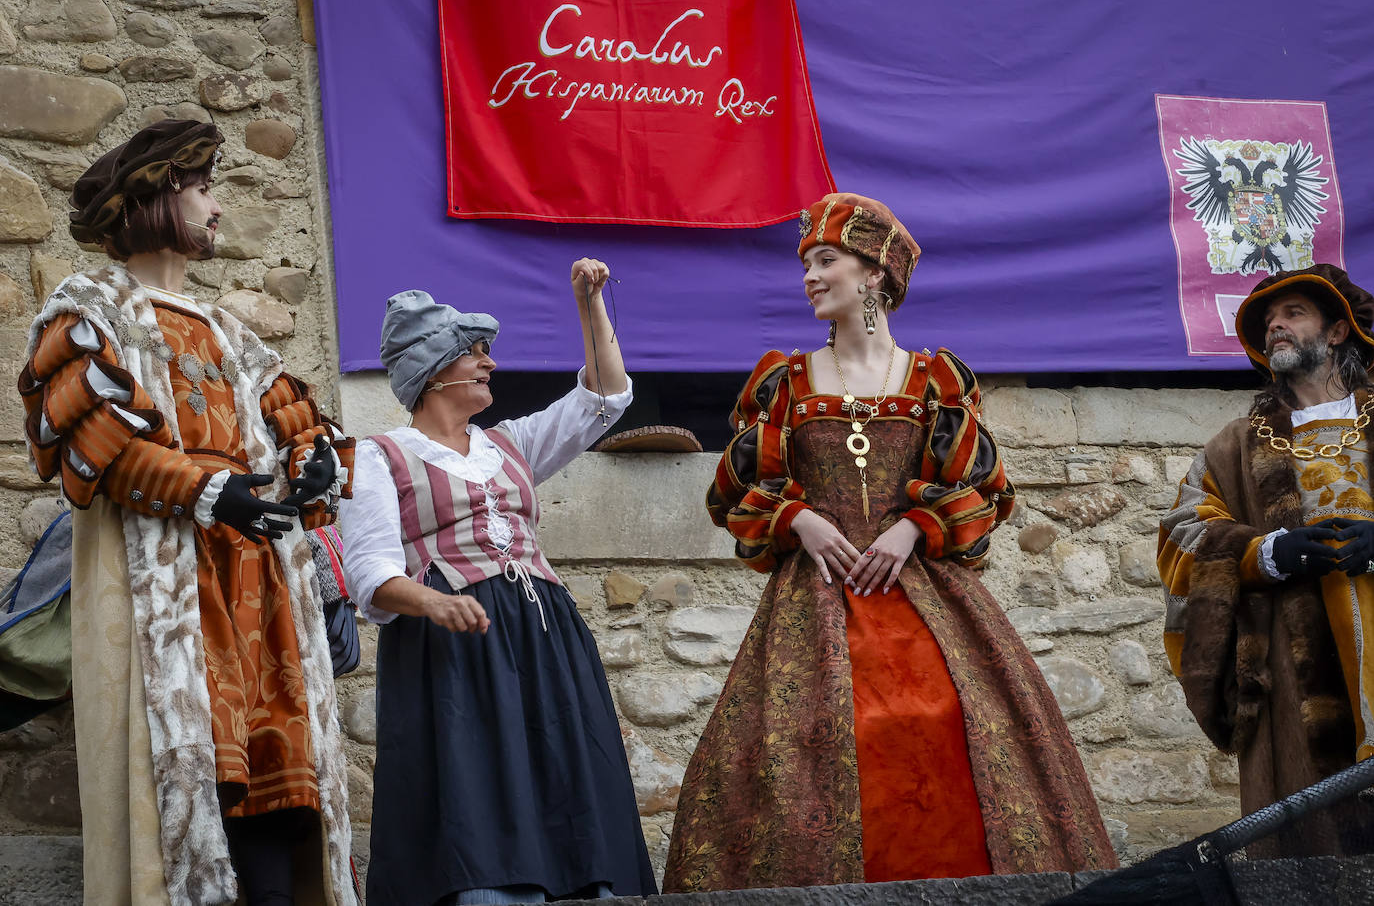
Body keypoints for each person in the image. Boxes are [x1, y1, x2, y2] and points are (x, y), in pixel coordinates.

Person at [663, 193, 1115, 892]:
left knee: (940, 726)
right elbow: (734, 493)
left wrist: (914, 526)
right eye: (806, 264)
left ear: (874, 274)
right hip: (812, 604)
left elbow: (986, 489)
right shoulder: (786, 383)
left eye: (827, 260)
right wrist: (798, 520)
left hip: (926, 594)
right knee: (801, 756)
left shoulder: (935, 381)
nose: (811, 276)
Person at [17, 119, 357, 904]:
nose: (218, 210)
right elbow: (89, 440)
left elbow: (300, 425)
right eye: (204, 190)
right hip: (167, 583)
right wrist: (212, 490)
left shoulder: (232, 332)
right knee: (185, 768)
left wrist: (310, 475)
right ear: (154, 196)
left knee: (280, 778)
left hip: (259, 584)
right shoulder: (88, 308)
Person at [339, 259, 657, 905]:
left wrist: (588, 302)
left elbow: (605, 398)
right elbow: (368, 571)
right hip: (456, 650)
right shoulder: (378, 457)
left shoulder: (510, 444)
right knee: (477, 790)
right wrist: (431, 600)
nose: (489, 364)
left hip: (546, 638)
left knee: (568, 775)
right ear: (433, 371)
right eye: (475, 353)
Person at [1159, 263, 1374, 856]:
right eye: (1268, 321)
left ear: (1336, 331)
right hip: (1293, 671)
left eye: (1292, 314)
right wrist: (1264, 553)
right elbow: (1181, 536)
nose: (1275, 326)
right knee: (1312, 859)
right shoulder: (1234, 444)